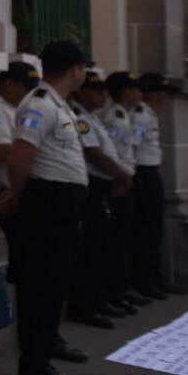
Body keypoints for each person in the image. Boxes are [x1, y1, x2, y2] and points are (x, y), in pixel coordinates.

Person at [0, 40, 93, 375]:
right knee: (41, 289)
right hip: (47, 204)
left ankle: (42, 364)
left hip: (60, 205)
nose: (85, 73)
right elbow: (20, 160)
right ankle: (33, 374)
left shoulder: (57, 104)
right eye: (83, 67)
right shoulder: (38, 103)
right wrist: (20, 197)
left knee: (53, 287)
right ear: (74, 69)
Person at [66, 69, 132, 329]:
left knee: (102, 246)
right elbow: (95, 154)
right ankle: (84, 304)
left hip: (104, 184)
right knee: (90, 248)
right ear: (82, 91)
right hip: (92, 186)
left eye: (104, 91)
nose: (102, 96)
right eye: (97, 91)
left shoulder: (92, 118)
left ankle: (97, 299)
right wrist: (122, 175)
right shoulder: (80, 117)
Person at [98, 75, 148, 313]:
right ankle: (114, 292)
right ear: (126, 92)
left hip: (126, 179)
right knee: (115, 242)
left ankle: (121, 289)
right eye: (136, 89)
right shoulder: (114, 118)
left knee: (124, 239)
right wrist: (119, 177)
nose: (140, 93)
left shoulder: (124, 115)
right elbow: (113, 152)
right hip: (117, 182)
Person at [0, 62, 40, 280]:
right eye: (26, 89)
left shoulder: (13, 106)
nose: (29, 95)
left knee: (27, 251)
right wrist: (39, 155)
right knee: (25, 250)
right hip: (6, 191)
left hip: (19, 188)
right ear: (9, 84)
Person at [130, 73, 175, 299]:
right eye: (161, 93)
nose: (163, 98)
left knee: (153, 228)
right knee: (146, 229)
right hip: (143, 173)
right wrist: (135, 176)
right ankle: (145, 281)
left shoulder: (148, 114)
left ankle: (153, 278)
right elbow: (134, 146)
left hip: (150, 172)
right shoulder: (140, 115)